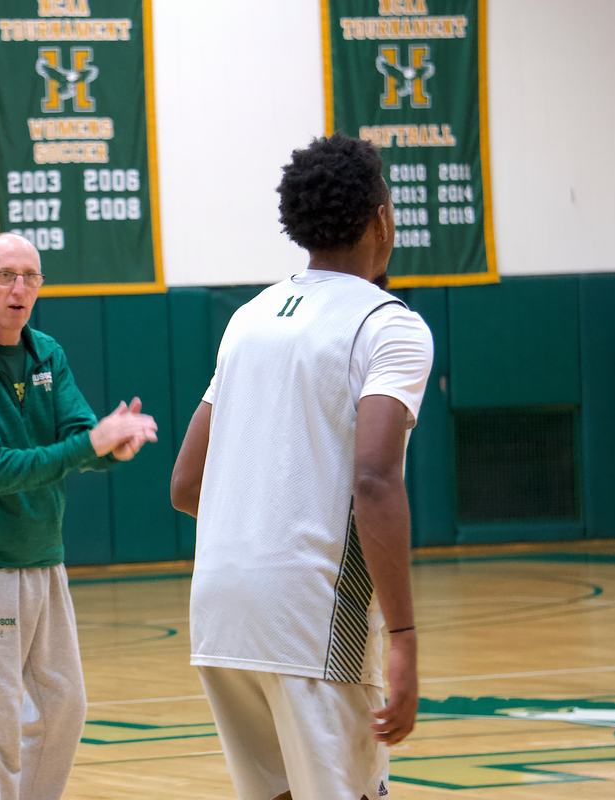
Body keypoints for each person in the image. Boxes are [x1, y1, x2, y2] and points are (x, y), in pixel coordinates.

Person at [170, 134, 434, 800]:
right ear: (380, 218)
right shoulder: (388, 325)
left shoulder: (248, 319)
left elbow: (185, 486)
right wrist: (402, 636)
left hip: (221, 611)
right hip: (311, 616)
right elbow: (374, 479)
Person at [0, 232, 158, 799]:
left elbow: (78, 434)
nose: (19, 287)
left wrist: (111, 448)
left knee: (64, 711)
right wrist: (91, 445)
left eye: (30, 276)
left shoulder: (47, 352)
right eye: (4, 275)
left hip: (44, 561)